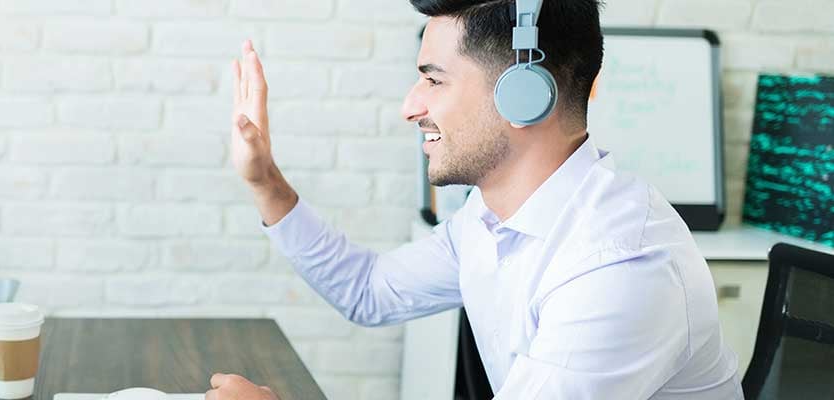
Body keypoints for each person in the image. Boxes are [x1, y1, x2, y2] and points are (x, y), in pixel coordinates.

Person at [208, 0, 744, 399]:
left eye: (433, 80)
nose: (410, 106)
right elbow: (369, 291)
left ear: (524, 95)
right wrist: (264, 180)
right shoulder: (490, 218)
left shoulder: (619, 266)